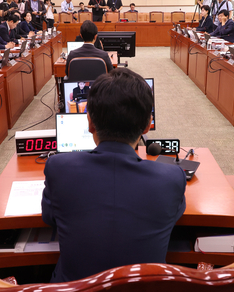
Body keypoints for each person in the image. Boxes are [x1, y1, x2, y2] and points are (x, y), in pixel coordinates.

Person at [42, 68, 186, 283]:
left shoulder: (58, 167)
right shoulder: (171, 177)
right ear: (147, 125)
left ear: (90, 122)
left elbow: (49, 218)